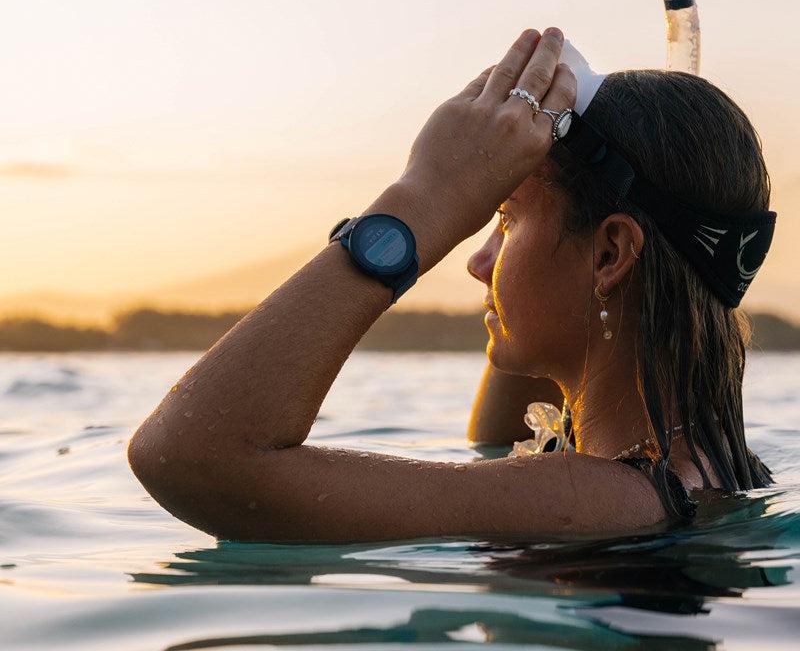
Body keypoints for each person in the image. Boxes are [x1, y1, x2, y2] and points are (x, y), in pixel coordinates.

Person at [127, 27, 775, 543]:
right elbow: (493, 442)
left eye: (504, 219)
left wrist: (425, 199)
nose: (478, 260)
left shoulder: (597, 498)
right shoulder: (692, 466)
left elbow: (189, 455)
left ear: (609, 255)